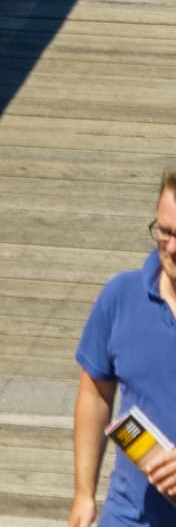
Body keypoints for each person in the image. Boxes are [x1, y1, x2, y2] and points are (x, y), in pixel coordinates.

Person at [70, 170, 176, 527]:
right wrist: (84, 493)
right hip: (130, 517)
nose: (172, 247)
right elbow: (95, 393)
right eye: (165, 232)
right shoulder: (121, 296)